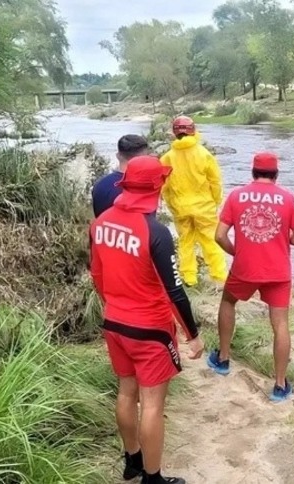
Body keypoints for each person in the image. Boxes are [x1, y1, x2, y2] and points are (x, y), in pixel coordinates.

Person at [89, 155, 204, 484]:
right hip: (151, 330)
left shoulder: (100, 223)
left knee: (126, 392)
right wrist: (193, 335)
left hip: (115, 323)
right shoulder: (155, 231)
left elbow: (96, 274)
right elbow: (175, 291)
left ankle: (133, 462)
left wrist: (113, 306)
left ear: (126, 184)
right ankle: (152, 480)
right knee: (152, 403)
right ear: (158, 186)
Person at [207, 152, 294, 402]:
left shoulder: (236, 195)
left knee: (228, 302)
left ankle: (223, 359)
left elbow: (219, 236)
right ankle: (280, 385)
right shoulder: (287, 198)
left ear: (253, 172)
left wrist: (236, 251)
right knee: (281, 324)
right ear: (276, 174)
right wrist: (282, 237)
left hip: (245, 268)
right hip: (278, 272)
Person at [160, 116, 227, 286]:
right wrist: (216, 201)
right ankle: (218, 277)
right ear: (193, 130)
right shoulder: (205, 155)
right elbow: (215, 182)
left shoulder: (167, 158)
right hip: (204, 207)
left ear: (174, 133)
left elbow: (163, 186)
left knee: (185, 241)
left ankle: (189, 277)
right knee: (210, 241)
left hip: (180, 208)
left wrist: (171, 205)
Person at [91, 134, 150, 218]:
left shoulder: (99, 185)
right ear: (144, 158)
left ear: (118, 156)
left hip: (103, 229)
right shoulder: (145, 189)